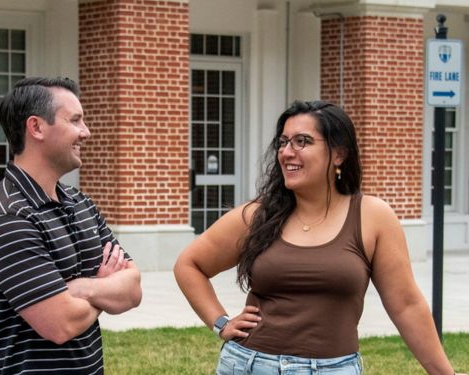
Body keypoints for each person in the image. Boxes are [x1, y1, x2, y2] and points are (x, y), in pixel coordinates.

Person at [174, 100, 463, 374]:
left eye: (303, 141)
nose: (287, 152)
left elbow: (406, 305)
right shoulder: (257, 215)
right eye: (283, 142)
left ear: (339, 153)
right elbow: (189, 264)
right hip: (251, 364)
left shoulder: (372, 216)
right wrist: (221, 323)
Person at [0, 77, 142, 374]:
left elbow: (133, 289)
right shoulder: (7, 219)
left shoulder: (80, 203)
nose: (85, 132)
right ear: (36, 127)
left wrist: (83, 288)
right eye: (75, 120)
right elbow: (61, 324)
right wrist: (103, 286)